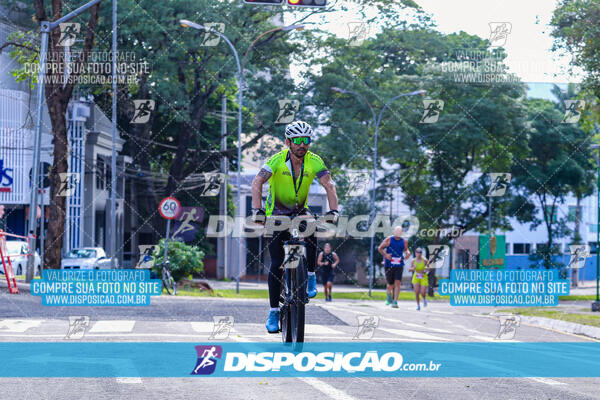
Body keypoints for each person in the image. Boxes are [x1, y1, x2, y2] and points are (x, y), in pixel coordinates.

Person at [250, 120, 339, 333]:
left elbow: (329, 184)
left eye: (306, 140)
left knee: (311, 225)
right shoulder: (276, 160)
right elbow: (256, 183)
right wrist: (258, 210)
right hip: (276, 214)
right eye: (297, 141)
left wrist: (334, 210)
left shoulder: (314, 161)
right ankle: (273, 311)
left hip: (299, 211)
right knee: (277, 262)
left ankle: (309, 275)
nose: (302, 145)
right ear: (288, 141)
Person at [377, 226, 410, 308]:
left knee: (397, 283)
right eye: (396, 232)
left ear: (401, 233)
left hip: (399, 265)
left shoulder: (404, 241)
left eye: (399, 232)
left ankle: (395, 302)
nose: (397, 234)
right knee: (390, 285)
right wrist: (386, 255)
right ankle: (389, 297)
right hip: (389, 265)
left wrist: (408, 253)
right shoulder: (389, 239)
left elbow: (406, 249)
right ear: (394, 232)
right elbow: (380, 248)